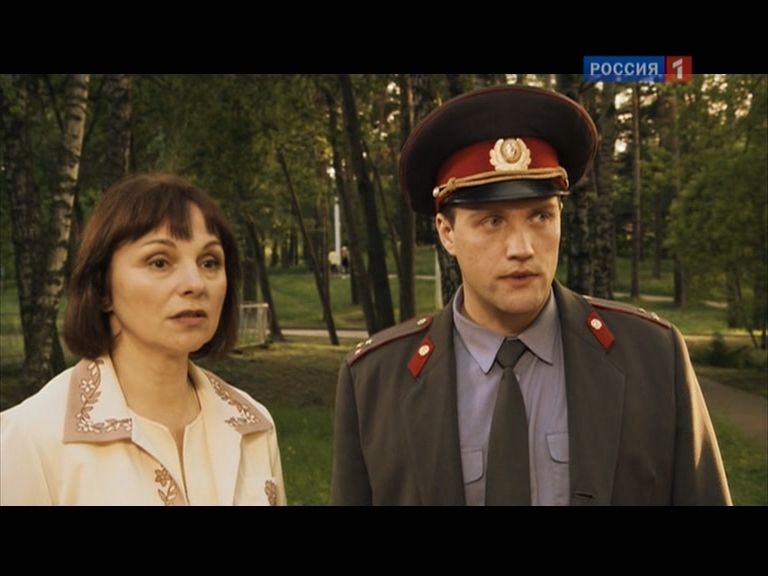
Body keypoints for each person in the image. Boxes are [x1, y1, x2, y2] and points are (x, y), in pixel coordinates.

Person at [330, 85, 732, 506]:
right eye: (492, 221)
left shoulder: (652, 358)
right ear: (446, 233)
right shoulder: (375, 383)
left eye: (540, 215)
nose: (521, 247)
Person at [1, 173, 286, 506]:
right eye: (160, 262)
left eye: (209, 262)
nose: (195, 283)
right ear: (103, 288)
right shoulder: (32, 438)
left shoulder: (254, 425)